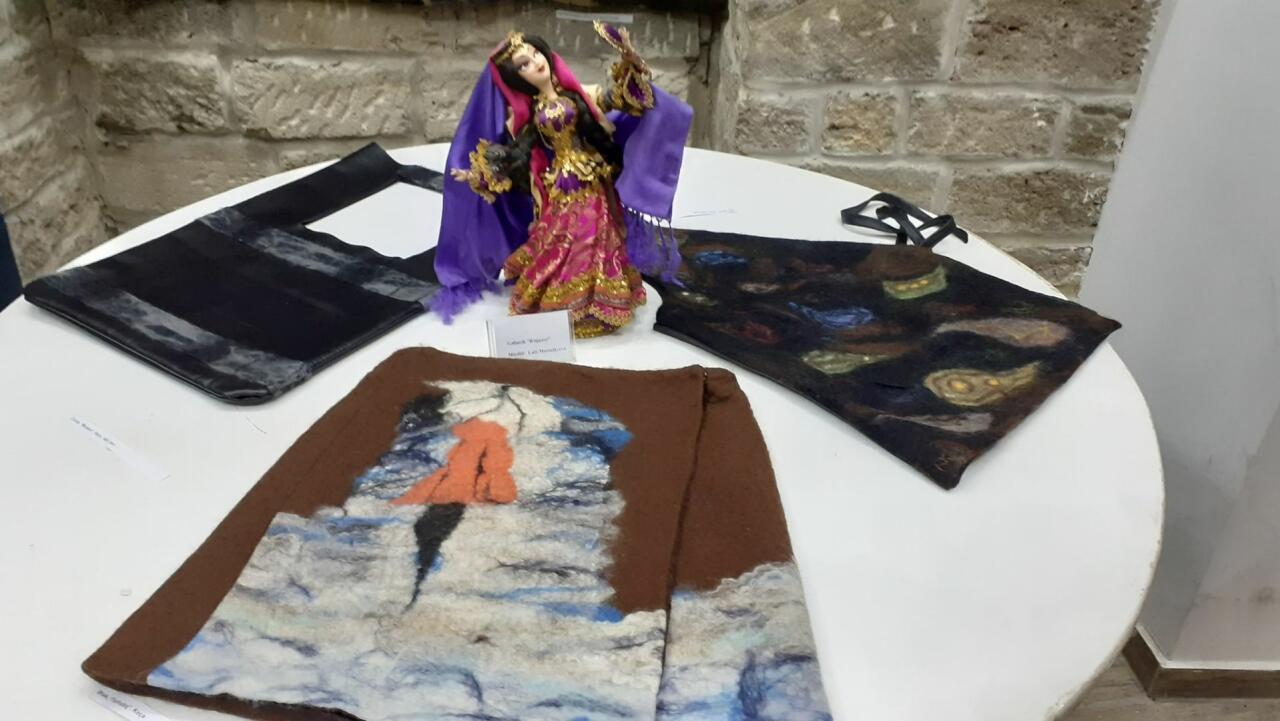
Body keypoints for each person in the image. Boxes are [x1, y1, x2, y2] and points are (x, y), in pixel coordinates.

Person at [435, 24, 692, 338]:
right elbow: (519, 152)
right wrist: (480, 172)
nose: (535, 63)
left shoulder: (581, 95)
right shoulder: (530, 115)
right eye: (524, 64)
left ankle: (601, 299)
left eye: (535, 54)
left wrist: (629, 62)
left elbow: (622, 99)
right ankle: (565, 300)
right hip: (561, 186)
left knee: (598, 239)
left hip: (592, 179)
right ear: (517, 78)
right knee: (563, 242)